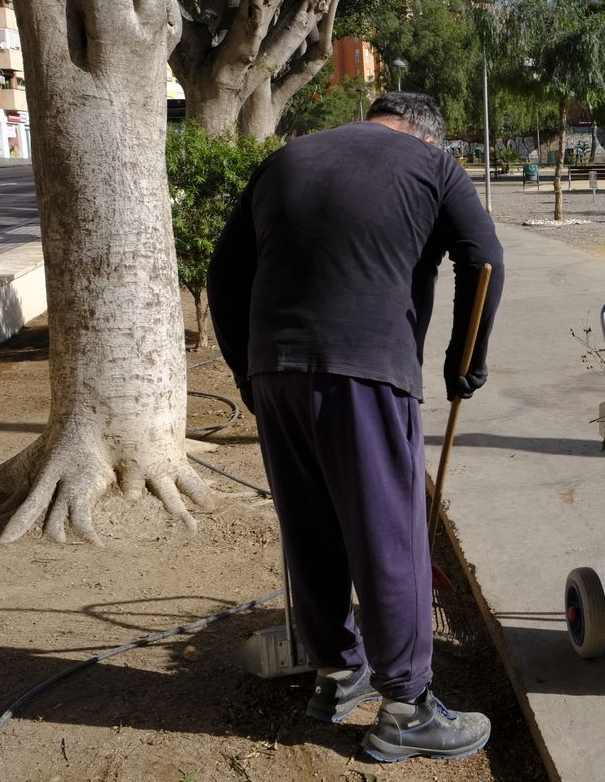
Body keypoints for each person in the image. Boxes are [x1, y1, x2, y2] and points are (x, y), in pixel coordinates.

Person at [207, 92, 504, 764]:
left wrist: (249, 374)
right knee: (389, 536)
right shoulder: (433, 164)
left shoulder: (286, 158)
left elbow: (224, 274)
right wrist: (466, 363)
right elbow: (484, 259)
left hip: (275, 370)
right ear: (427, 136)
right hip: (365, 373)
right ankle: (407, 709)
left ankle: (339, 672)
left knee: (310, 526)